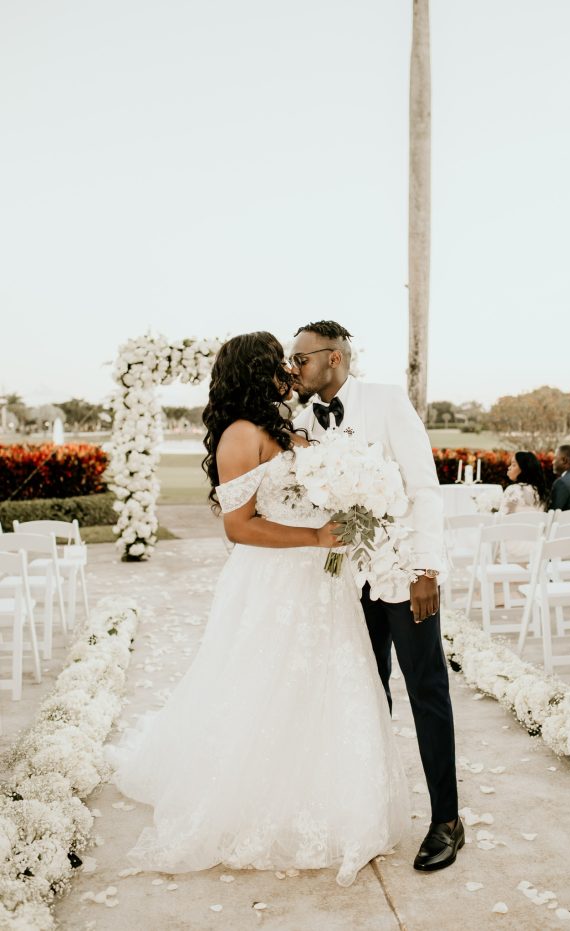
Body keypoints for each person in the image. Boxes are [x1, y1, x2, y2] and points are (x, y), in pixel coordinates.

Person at [108, 332, 410, 887]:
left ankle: (333, 798)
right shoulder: (240, 435)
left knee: (325, 690)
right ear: (257, 372)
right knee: (267, 687)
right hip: (276, 581)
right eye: (279, 363)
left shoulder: (282, 428)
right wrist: (316, 536)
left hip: (320, 584)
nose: (289, 371)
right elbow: (237, 526)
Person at [291, 320, 463, 873]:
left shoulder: (387, 402)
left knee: (426, 691)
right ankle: (372, 814)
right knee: (363, 697)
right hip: (345, 581)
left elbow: (424, 489)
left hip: (401, 576)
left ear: (335, 357)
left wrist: (425, 568)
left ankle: (447, 820)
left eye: (302, 359)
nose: (294, 369)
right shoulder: (299, 422)